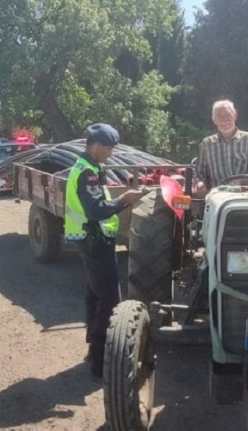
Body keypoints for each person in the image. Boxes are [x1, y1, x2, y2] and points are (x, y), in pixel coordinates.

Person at [64, 123, 145, 377]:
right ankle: (102, 361)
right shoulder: (86, 173)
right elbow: (97, 210)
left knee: (94, 294)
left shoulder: (88, 168)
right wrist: (124, 200)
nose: (111, 154)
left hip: (88, 238)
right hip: (95, 239)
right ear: (96, 146)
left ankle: (93, 349)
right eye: (108, 149)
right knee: (109, 299)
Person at [194, 100, 248, 194]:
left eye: (228, 114)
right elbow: (199, 172)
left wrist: (246, 181)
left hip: (246, 194)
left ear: (235, 115)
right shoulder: (207, 144)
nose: (224, 119)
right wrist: (200, 183)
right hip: (218, 196)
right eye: (219, 116)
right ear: (214, 120)